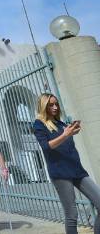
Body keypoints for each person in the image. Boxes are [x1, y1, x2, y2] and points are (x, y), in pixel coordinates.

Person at [33, 93, 100, 234]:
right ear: (44, 106)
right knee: (72, 215)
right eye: (51, 105)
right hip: (60, 173)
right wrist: (65, 135)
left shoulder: (61, 124)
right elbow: (46, 146)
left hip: (77, 170)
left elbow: (64, 142)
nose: (55, 107)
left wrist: (71, 132)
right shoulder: (39, 124)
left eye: (56, 104)